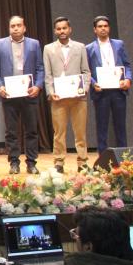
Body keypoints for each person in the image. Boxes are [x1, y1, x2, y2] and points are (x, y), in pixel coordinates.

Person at [0, 15, 44, 175]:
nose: (16, 28)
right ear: (9, 28)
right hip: (9, 95)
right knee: (11, 131)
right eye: (12, 26)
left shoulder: (34, 44)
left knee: (31, 130)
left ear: (24, 28)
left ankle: (31, 163)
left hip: (29, 94)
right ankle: (14, 163)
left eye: (19, 25)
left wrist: (38, 86)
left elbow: (40, 68)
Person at [43, 17, 91, 173]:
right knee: (59, 133)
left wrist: (84, 88)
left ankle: (82, 161)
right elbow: (48, 74)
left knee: (80, 132)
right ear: (55, 31)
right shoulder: (48, 49)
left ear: (70, 29)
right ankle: (59, 162)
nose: (62, 31)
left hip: (78, 97)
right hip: (58, 98)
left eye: (64, 28)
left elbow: (86, 71)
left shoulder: (80, 47)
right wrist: (51, 92)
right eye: (58, 29)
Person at [86, 15, 133, 153]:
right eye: (100, 26)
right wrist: (93, 83)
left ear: (109, 28)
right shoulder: (89, 48)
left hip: (118, 90)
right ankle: (102, 158)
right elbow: (86, 71)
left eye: (105, 26)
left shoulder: (119, 44)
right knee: (102, 127)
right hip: (101, 92)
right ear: (95, 29)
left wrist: (128, 79)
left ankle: (124, 157)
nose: (103, 29)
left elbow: (127, 65)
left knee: (120, 126)